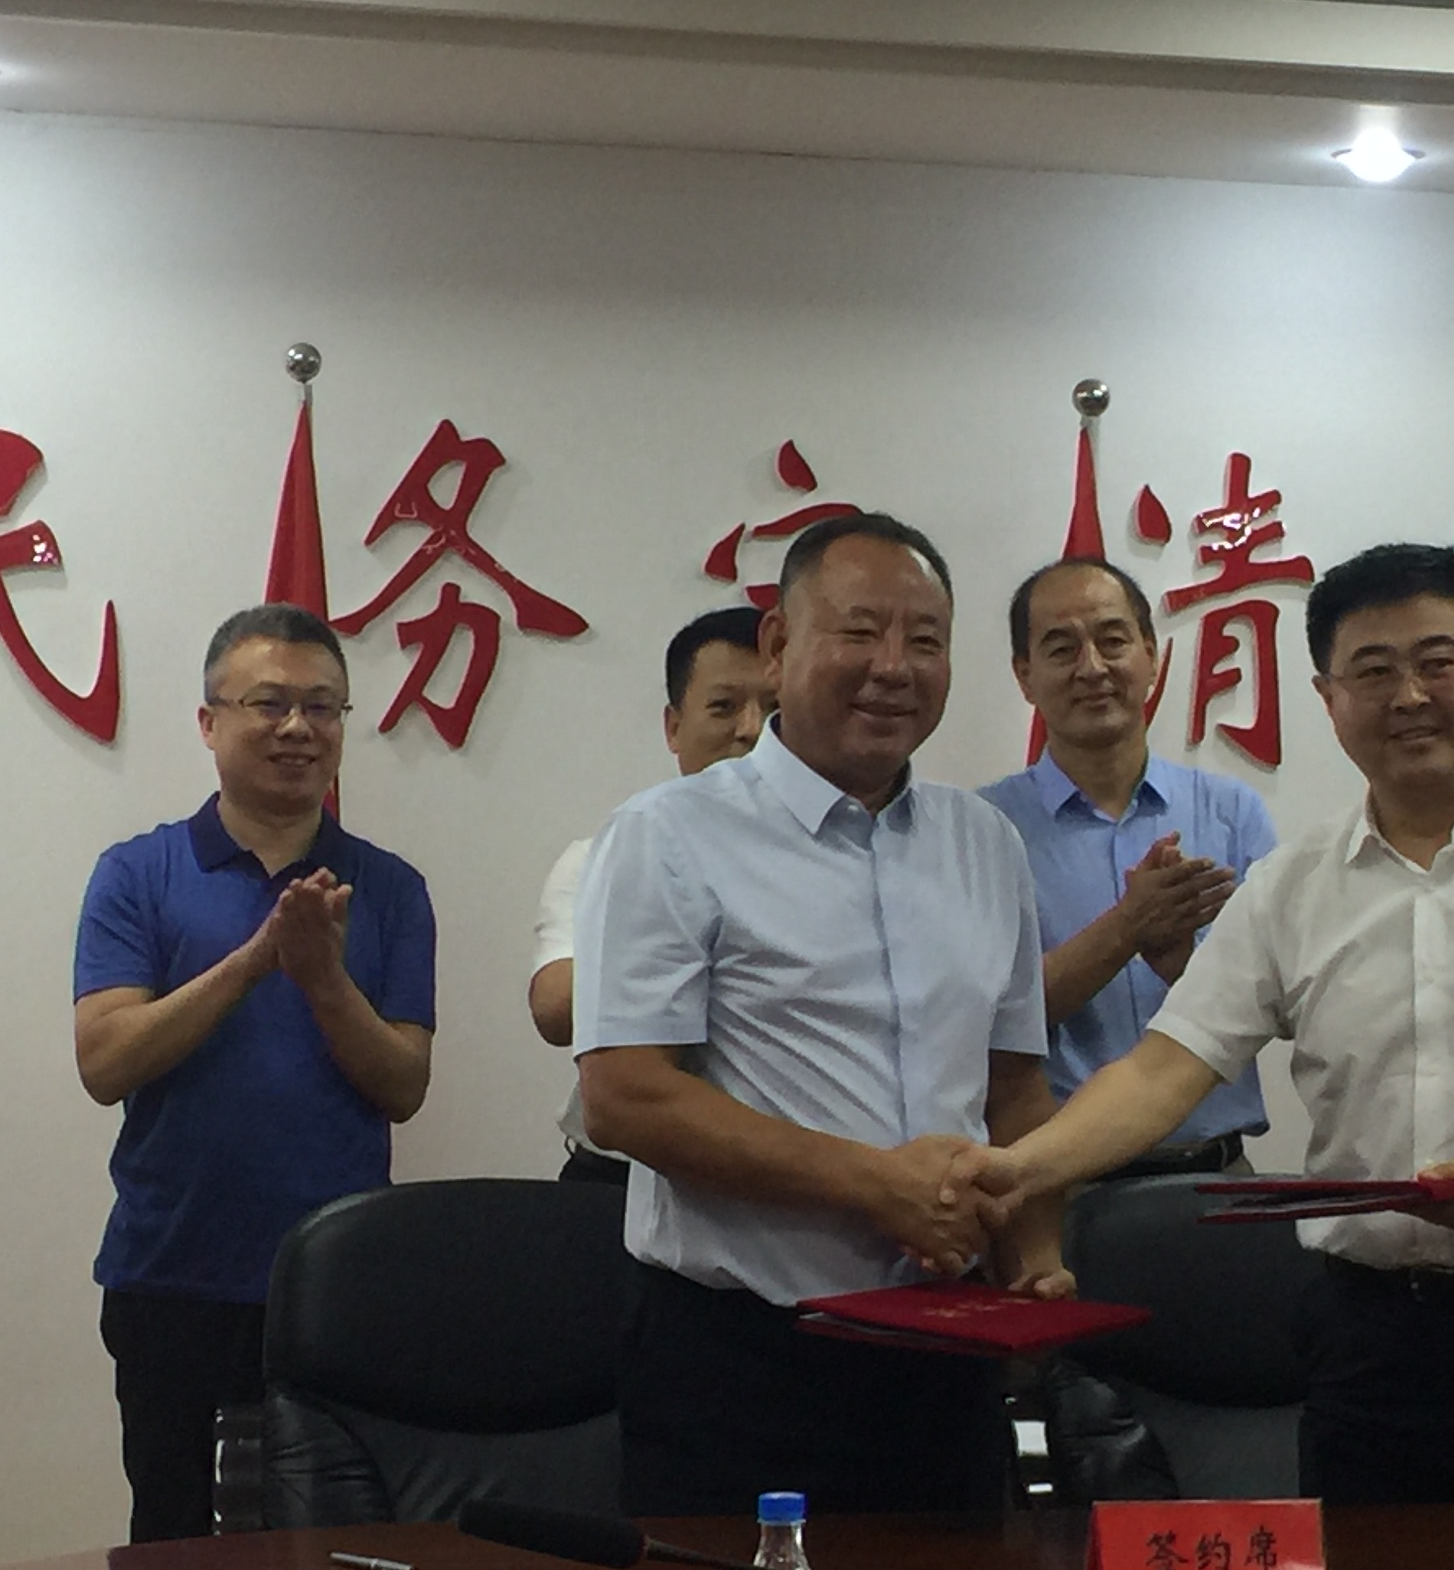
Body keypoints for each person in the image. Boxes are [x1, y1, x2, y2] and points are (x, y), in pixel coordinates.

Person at [961, 543, 1454, 1505]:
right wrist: (1018, 1171)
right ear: (1329, 698)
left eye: (1437, 662)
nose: (1409, 696)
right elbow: (1162, 1072)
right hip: (1368, 1339)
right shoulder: (1294, 887)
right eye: (1374, 671)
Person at [574, 512, 1060, 1515]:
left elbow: (1013, 1083)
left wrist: (1036, 1256)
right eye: (860, 631)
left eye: (925, 640)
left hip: (949, 1354)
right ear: (777, 645)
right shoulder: (669, 835)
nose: (894, 667)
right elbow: (625, 1098)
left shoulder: (986, 843)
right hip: (742, 1361)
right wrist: (875, 1186)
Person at [72, 604, 436, 1544]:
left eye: (323, 707)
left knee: (336, 1559)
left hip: (337, 1284)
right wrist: (254, 961)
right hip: (174, 1277)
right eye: (269, 703)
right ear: (209, 722)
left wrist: (321, 979)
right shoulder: (138, 873)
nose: (298, 728)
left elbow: (403, 1085)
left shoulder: (389, 887)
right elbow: (105, 1061)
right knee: (174, 1557)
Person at [978, 558, 1275, 1174]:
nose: (1092, 667)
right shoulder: (983, 829)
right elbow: (981, 1022)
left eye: (1112, 640)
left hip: (1221, 1176)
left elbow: (1278, 1003)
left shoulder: (1231, 813)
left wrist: (1183, 967)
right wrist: (1128, 928)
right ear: (1024, 676)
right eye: (1062, 649)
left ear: (1151, 655)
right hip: (1060, 1185)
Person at [529, 605, 775, 1185]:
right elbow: (555, 1009)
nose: (752, 730)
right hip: (616, 1180)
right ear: (673, 727)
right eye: (724, 707)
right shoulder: (604, 857)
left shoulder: (840, 868)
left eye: (775, 709)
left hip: (782, 1179)